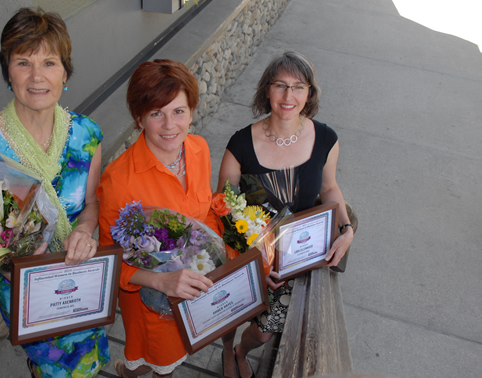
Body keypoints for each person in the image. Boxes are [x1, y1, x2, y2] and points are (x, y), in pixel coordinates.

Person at [0, 8, 108, 378]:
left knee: (86, 356)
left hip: (81, 277)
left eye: (50, 62)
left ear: (65, 72)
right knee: (57, 367)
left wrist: (85, 231)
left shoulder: (87, 135)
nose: (37, 76)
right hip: (23, 285)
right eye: (23, 62)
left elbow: (91, 205)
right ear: (7, 70)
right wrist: (8, 260)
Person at [216, 51, 354, 378]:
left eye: (298, 87)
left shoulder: (326, 139)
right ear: (267, 90)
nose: (288, 96)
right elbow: (223, 208)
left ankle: (240, 350)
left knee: (265, 331)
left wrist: (346, 229)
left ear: (309, 94)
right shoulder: (240, 144)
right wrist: (252, 263)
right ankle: (225, 348)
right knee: (231, 312)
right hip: (249, 254)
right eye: (280, 85)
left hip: (299, 257)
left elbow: (330, 189)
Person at [97, 60, 220, 377]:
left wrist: (226, 255)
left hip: (198, 285)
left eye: (178, 111)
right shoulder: (120, 180)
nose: (169, 125)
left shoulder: (199, 149)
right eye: (156, 113)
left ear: (192, 111)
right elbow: (110, 260)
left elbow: (204, 212)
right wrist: (162, 280)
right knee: (160, 364)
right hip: (153, 302)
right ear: (139, 118)